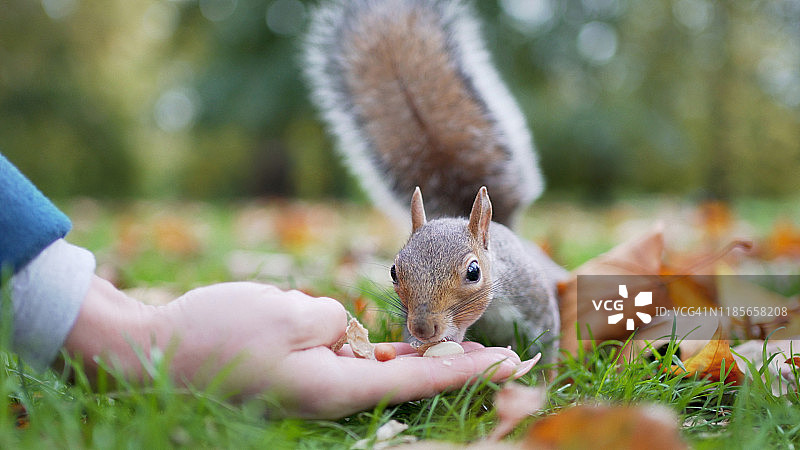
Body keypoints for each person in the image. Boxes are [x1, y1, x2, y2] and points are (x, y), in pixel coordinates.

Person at [0, 153, 536, 419]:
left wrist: (145, 338)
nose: (419, 320)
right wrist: (148, 341)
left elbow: (545, 313)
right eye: (398, 277)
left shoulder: (512, 264)